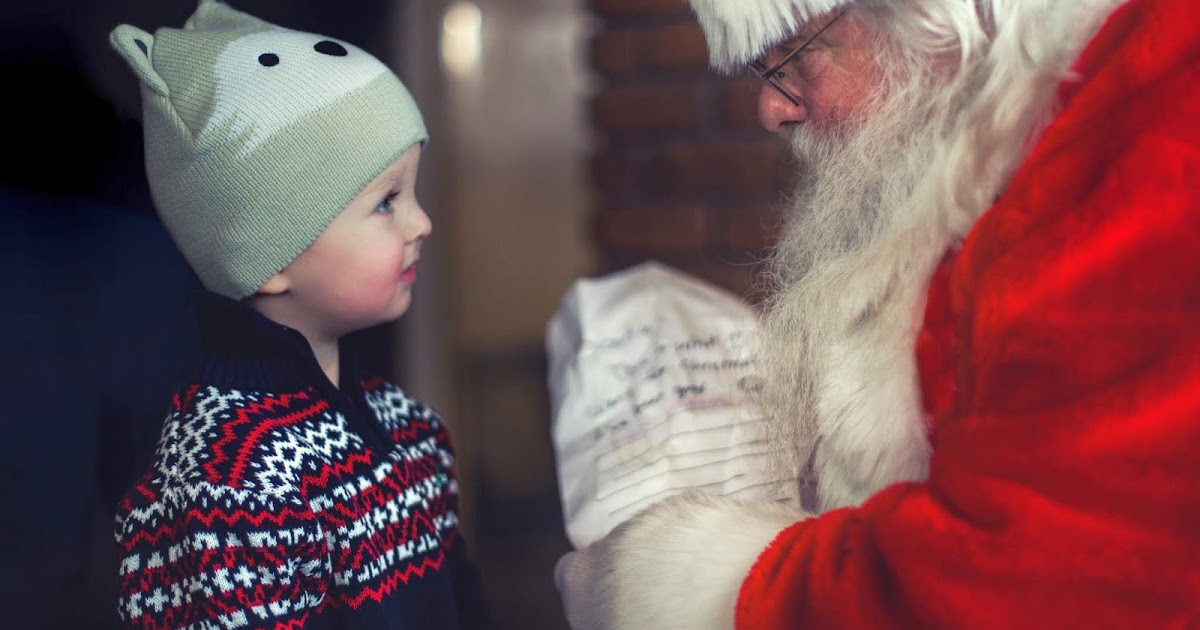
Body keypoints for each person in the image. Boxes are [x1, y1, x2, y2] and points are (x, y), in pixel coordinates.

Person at [555, 0, 1200, 627]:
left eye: (796, 56)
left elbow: (1039, 580)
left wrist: (692, 585)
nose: (772, 108)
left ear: (930, 17)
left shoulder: (1162, 106)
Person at [108, 1, 486, 627]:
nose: (422, 223)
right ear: (270, 256)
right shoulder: (225, 488)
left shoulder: (412, 431)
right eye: (387, 201)